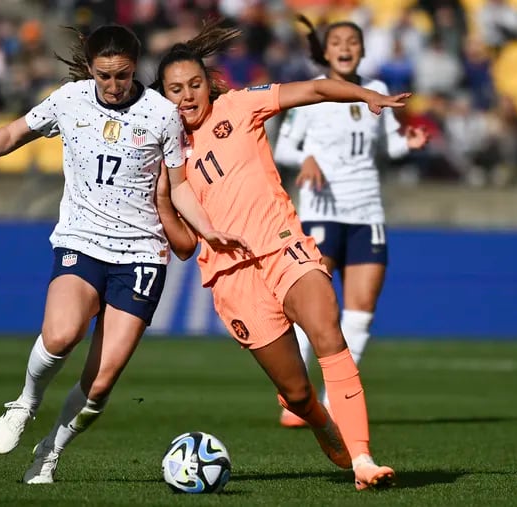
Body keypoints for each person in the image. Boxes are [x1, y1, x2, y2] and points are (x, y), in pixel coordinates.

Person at [0, 23, 247, 484]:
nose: (113, 86)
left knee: (102, 382)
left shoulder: (160, 114)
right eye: (104, 76)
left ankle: (48, 454)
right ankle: (26, 402)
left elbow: (180, 186)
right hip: (82, 241)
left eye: (123, 75)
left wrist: (209, 231)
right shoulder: (69, 100)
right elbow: (15, 133)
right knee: (60, 335)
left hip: (141, 254)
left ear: (135, 69)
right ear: (90, 69)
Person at [153, 19, 407, 490]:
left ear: (208, 84)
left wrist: (362, 95)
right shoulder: (166, 156)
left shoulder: (239, 105)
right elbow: (186, 248)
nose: (187, 96)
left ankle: (363, 460)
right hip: (231, 279)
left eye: (194, 85)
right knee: (294, 392)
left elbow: (311, 89)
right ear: (161, 96)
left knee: (328, 327)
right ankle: (316, 417)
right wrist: (163, 199)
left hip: (282, 244)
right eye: (175, 90)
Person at [272, 17, 429, 428]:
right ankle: (296, 397)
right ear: (325, 52)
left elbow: (388, 144)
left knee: (360, 313)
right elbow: (284, 146)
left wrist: (407, 143)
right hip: (321, 211)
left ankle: (333, 400)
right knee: (314, 308)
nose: (345, 47)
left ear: (361, 50)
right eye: (337, 41)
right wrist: (304, 158)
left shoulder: (375, 91)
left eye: (352, 41)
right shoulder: (312, 92)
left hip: (367, 212)